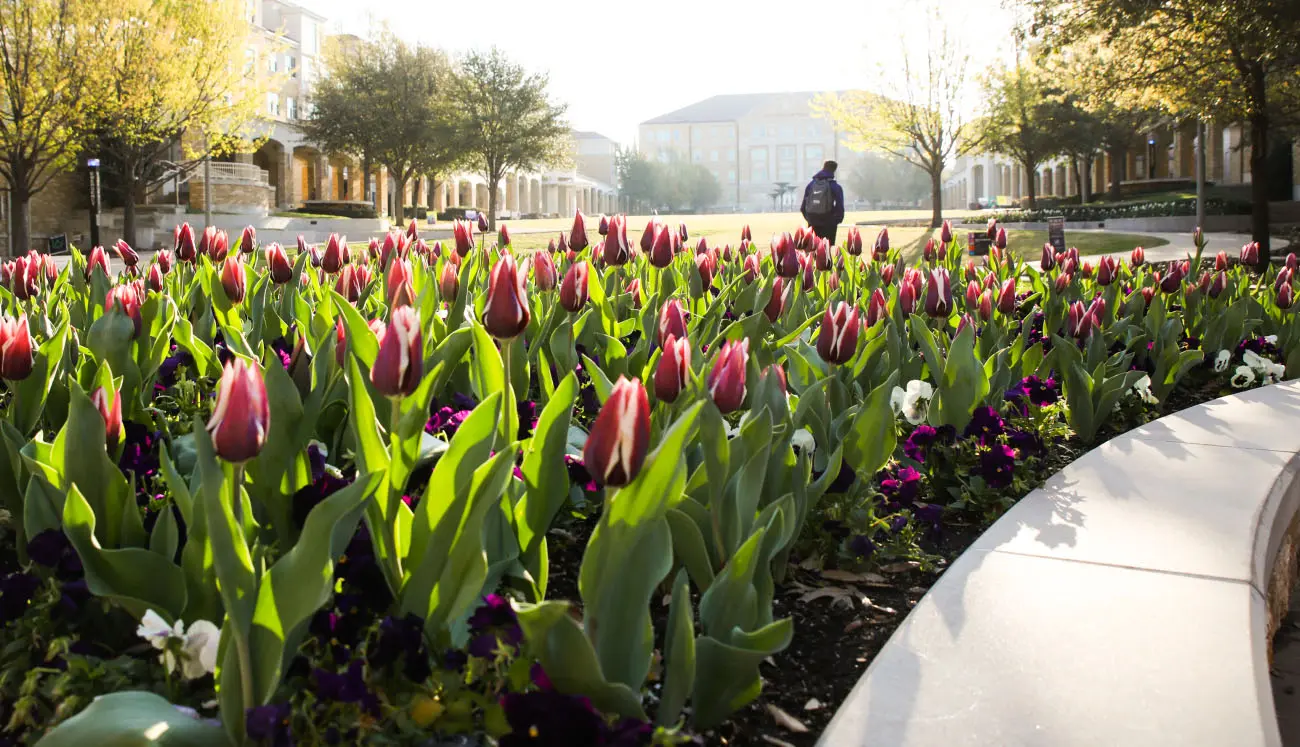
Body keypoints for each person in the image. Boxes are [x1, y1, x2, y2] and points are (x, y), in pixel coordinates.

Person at [800, 160, 845, 245]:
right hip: (829, 222)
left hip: (812, 221)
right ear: (834, 170)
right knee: (826, 252)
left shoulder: (811, 185)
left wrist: (810, 218)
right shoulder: (835, 186)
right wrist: (836, 220)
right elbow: (840, 206)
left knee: (813, 251)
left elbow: (803, 207)